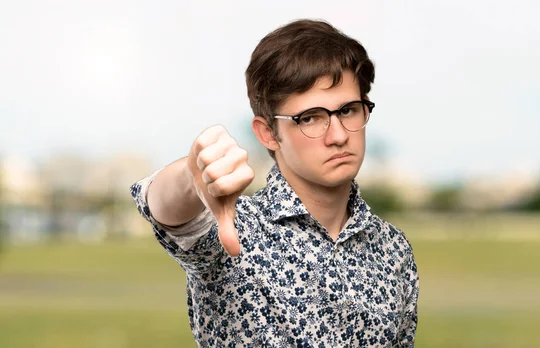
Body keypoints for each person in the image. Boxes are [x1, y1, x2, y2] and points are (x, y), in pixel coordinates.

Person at [130, 19, 419, 347]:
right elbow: (166, 211)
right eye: (310, 117)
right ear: (268, 133)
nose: (338, 136)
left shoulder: (393, 249)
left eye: (349, 111)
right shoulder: (238, 231)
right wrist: (190, 175)